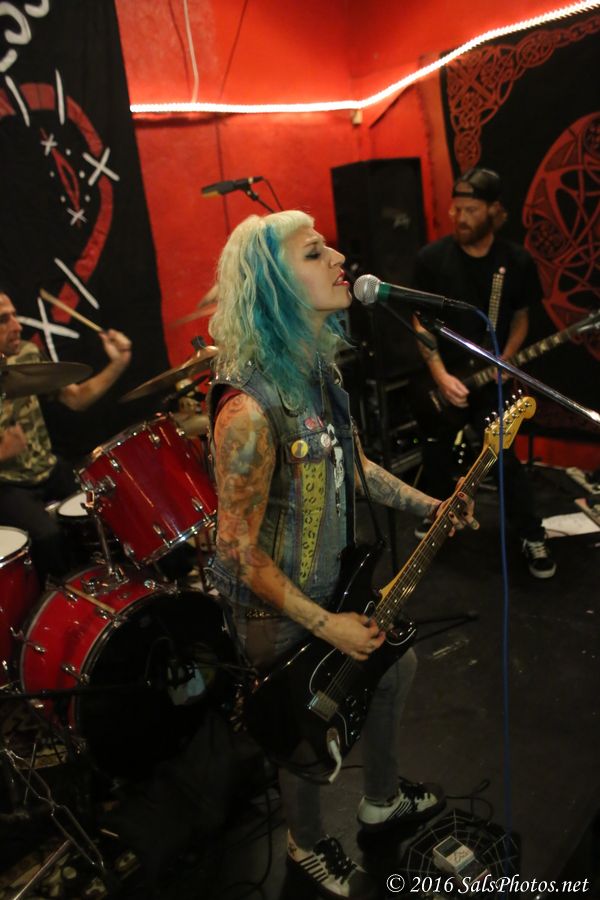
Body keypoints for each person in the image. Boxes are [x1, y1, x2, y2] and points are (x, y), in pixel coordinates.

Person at [206, 210, 477, 900]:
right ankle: (305, 847)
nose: (338, 260)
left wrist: (430, 505)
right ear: (273, 285)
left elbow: (353, 467)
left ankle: (380, 801)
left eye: (329, 246)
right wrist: (327, 627)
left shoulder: (319, 372)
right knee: (301, 731)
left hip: (329, 581)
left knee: (394, 665)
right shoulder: (247, 410)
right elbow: (234, 549)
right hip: (274, 608)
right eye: (314, 252)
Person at [411, 167, 556, 580]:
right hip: (444, 379)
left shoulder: (515, 261)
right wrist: (439, 375)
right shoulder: (431, 259)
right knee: (436, 452)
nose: (460, 218)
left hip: (491, 378)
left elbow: (522, 316)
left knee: (503, 457)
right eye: (456, 209)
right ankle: (434, 516)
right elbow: (420, 322)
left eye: (471, 210)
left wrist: (506, 359)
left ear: (494, 210)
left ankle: (530, 534)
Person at [0, 287, 132, 583]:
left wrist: (119, 363)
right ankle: (65, 598)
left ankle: (127, 587)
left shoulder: (27, 355)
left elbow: (76, 399)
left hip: (48, 468)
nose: (17, 326)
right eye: (3, 320)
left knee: (106, 506)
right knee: (48, 537)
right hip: (8, 484)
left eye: (14, 316)